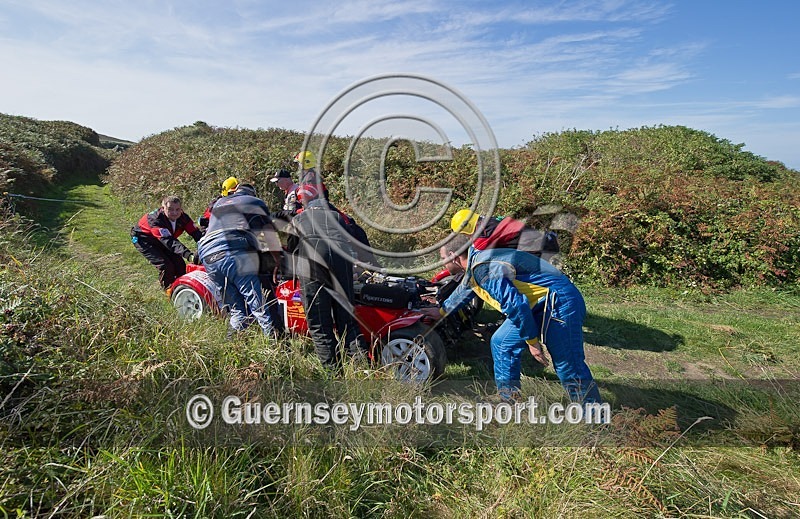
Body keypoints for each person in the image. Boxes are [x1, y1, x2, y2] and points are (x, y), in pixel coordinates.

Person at [423, 240, 602, 404]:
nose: (441, 263)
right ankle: (509, 400)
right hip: (536, 303)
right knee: (502, 342)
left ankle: (594, 418)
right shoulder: (475, 261)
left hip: (559, 300)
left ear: (454, 256)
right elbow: (464, 289)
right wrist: (441, 311)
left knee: (567, 363)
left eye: (442, 258)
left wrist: (532, 342)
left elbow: (516, 305)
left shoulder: (483, 268)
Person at [286, 184, 368, 369]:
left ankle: (334, 375)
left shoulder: (298, 219)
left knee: (319, 322)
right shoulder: (338, 216)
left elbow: (291, 251)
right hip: (341, 261)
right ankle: (362, 370)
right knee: (347, 320)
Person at [198, 184, 282, 337]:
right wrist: (277, 260)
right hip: (231, 252)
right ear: (253, 193)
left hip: (206, 253)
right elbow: (267, 235)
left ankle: (231, 344)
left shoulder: (220, 203)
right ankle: (273, 345)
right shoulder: (254, 202)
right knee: (259, 305)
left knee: (237, 310)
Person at [131, 195, 202, 291]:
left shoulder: (183, 217)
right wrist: (189, 255)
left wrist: (206, 246)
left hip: (162, 239)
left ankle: (182, 289)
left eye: (178, 209)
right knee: (166, 266)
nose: (174, 213)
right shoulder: (155, 220)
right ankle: (168, 291)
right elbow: (169, 241)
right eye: (170, 209)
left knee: (180, 264)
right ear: (163, 207)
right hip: (144, 240)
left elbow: (196, 233)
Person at [450, 209, 559, 261]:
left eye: (464, 234)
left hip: (540, 252)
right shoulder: (490, 221)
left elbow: (477, 255)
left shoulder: (485, 234)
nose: (466, 237)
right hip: (545, 242)